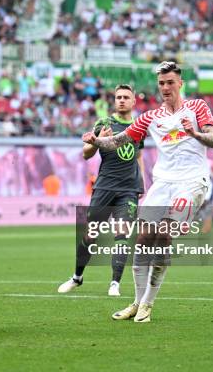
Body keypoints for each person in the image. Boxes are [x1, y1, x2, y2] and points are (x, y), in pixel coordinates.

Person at [83, 61, 213, 322]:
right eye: (161, 83)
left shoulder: (198, 107)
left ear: (180, 83)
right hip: (163, 183)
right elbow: (118, 141)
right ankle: (135, 302)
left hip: (191, 182)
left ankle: (147, 304)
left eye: (170, 82)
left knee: (164, 235)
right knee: (144, 239)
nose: (165, 87)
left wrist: (194, 133)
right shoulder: (150, 117)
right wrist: (95, 141)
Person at [58, 84, 145, 297]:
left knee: (122, 234)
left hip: (128, 189)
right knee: (90, 235)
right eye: (118, 97)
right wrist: (96, 142)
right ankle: (77, 277)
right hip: (105, 186)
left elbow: (138, 155)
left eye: (126, 97)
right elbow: (86, 153)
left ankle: (115, 283)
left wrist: (142, 183)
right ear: (114, 101)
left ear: (134, 101)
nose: (122, 100)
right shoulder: (104, 123)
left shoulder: (139, 126)